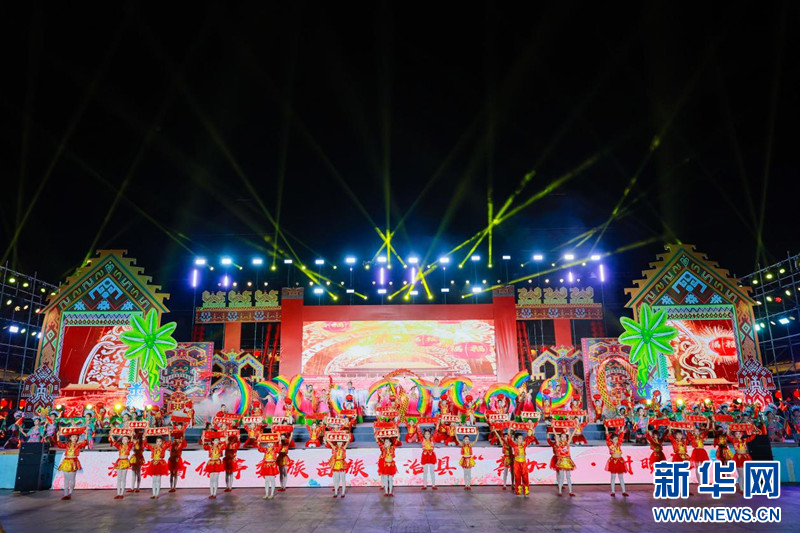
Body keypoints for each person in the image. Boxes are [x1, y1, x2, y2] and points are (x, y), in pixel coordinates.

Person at [55, 431, 87, 500]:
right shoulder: (67, 444)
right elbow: (59, 445)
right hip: (66, 461)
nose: (74, 438)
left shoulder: (78, 445)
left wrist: (86, 434)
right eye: (73, 437)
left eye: (76, 437)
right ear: (70, 438)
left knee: (72, 478)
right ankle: (65, 494)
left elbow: (85, 443)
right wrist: (57, 436)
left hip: (74, 462)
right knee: (66, 479)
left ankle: (70, 493)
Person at [508, 424, 537, 497]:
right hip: (516, 463)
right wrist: (509, 429)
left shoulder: (524, 444)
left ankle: (526, 491)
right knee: (517, 477)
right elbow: (509, 439)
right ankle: (518, 491)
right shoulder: (514, 445)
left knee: (525, 477)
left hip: (523, 462)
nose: (521, 439)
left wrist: (532, 431)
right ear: (516, 439)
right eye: (520, 438)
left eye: (522, 438)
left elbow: (531, 439)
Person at [548, 428, 576, 497]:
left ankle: (570, 491)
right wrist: (553, 428)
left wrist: (575, 429)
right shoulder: (558, 444)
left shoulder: (567, 443)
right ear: (560, 438)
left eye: (565, 437)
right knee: (561, 477)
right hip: (561, 461)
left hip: (568, 461)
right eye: (562, 437)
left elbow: (572, 435)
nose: (564, 438)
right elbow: (555, 435)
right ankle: (560, 491)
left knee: (568, 477)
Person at [729, 429, 757, 494]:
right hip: (739, 458)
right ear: (734, 435)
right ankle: (742, 489)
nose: (738, 435)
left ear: (741, 434)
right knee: (741, 475)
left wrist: (754, 433)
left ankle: (745, 488)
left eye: (739, 433)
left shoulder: (744, 440)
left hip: (746, 457)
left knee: (745, 474)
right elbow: (728, 435)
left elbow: (751, 438)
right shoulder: (733, 440)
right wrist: (728, 428)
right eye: (736, 434)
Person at [201, 433, 226, 498]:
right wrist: (203, 440)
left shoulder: (220, 446)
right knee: (211, 479)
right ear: (213, 441)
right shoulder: (210, 446)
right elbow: (204, 447)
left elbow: (225, 445)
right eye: (215, 440)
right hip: (211, 462)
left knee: (216, 479)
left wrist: (226, 438)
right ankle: (211, 493)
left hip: (217, 462)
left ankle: (214, 494)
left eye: (217, 440)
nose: (216, 441)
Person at [605, 428, 628, 497]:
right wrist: (606, 428)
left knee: (621, 477)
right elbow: (607, 437)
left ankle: (624, 491)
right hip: (613, 461)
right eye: (615, 439)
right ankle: (613, 491)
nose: (617, 440)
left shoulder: (619, 444)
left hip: (620, 461)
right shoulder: (610, 444)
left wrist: (622, 427)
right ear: (611, 440)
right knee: (613, 477)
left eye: (617, 439)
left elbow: (621, 435)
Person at [109, 433, 133, 499]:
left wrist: (132, 435)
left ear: (128, 440)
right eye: (123, 439)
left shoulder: (129, 446)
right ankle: (118, 493)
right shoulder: (119, 446)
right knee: (119, 479)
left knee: (123, 478)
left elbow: (132, 441)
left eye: (125, 439)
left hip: (125, 462)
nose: (124, 440)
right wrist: (111, 435)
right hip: (119, 462)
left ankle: (121, 493)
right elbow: (114, 442)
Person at [167, 427, 187, 492]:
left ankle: (174, 487)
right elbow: (169, 442)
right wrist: (169, 435)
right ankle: (171, 487)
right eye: (176, 439)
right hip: (171, 459)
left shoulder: (181, 445)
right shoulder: (172, 444)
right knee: (171, 474)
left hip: (177, 459)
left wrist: (183, 435)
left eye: (178, 439)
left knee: (175, 473)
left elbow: (184, 443)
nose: (177, 440)